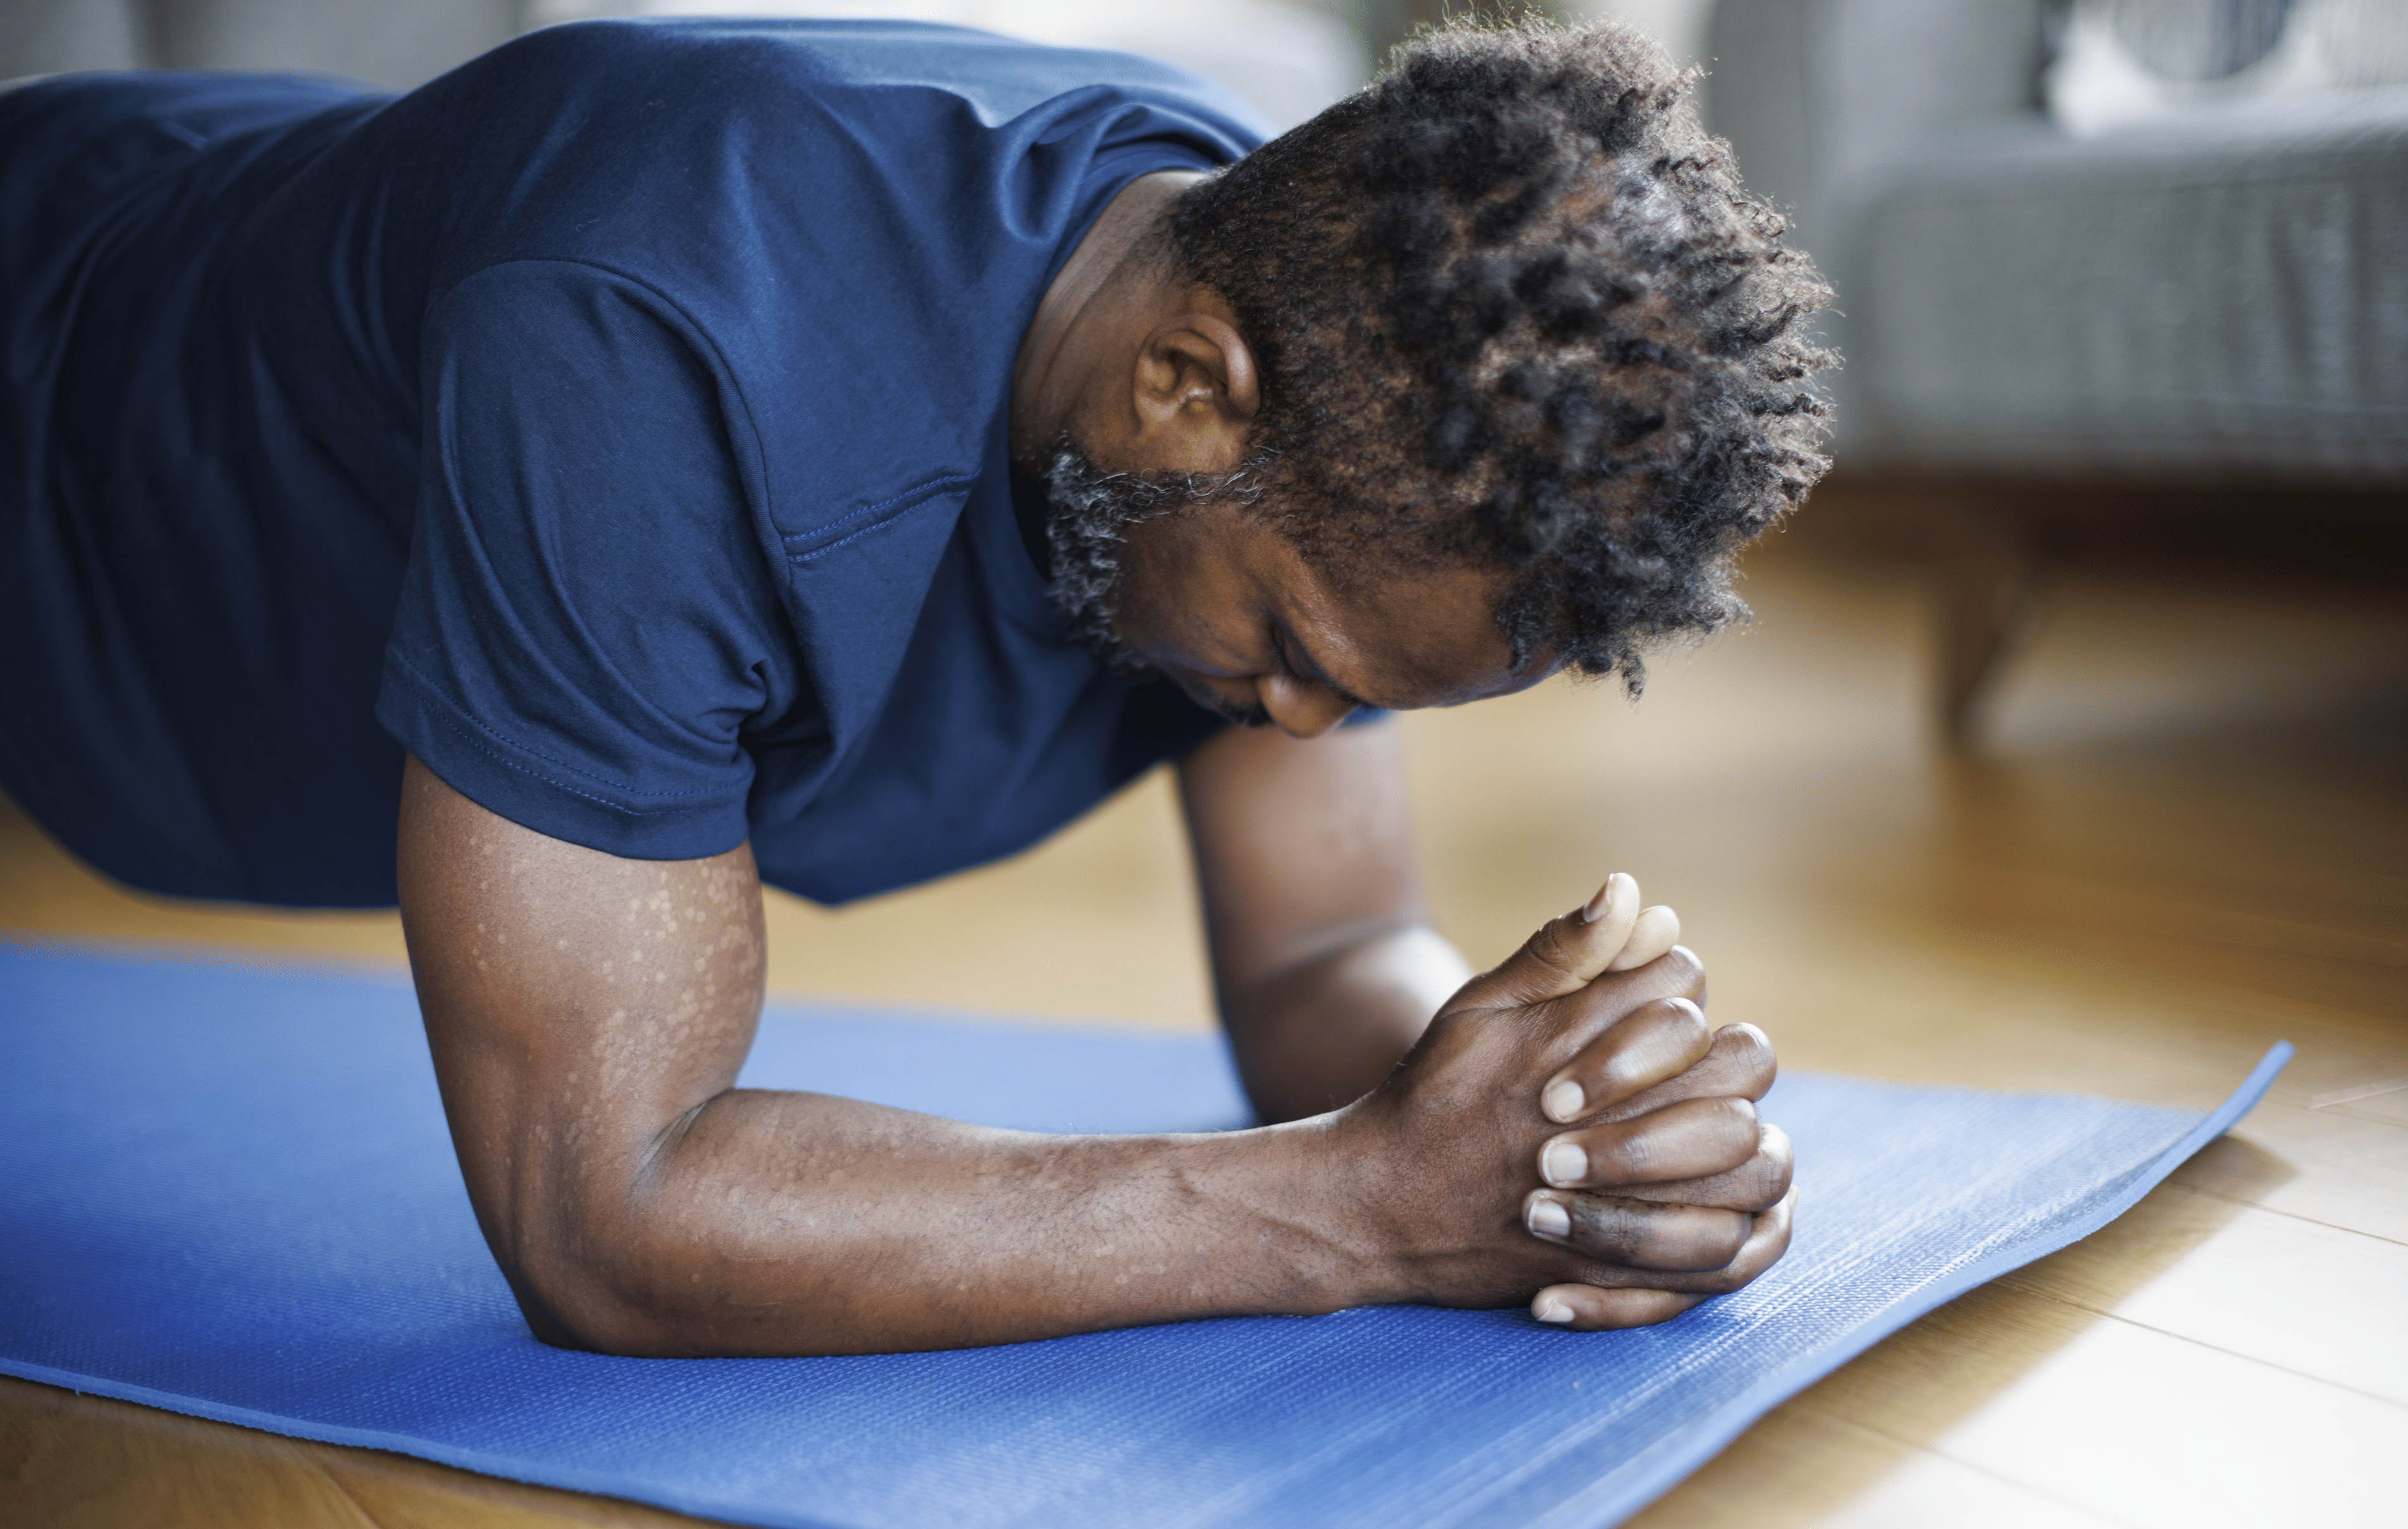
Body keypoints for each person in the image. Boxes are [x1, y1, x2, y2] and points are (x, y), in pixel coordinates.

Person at [0, 14, 1833, 1354]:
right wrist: (1360, 1209)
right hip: (56, 411)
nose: (1298, 727)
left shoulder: (1297, 301)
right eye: (1294, 655)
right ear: (1183, 393)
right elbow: (607, 1216)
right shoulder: (644, 346)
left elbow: (1315, 960)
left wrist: (1537, 1131)